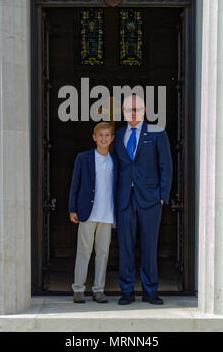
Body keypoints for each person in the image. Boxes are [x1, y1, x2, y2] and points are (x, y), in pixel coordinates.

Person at [113, 94, 173, 305]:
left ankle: (150, 291)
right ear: (123, 112)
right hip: (124, 200)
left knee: (149, 246)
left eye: (137, 109)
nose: (133, 113)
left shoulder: (157, 133)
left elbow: (166, 166)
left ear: (145, 110)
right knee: (125, 247)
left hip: (150, 200)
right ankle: (127, 291)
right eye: (129, 109)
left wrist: (162, 196)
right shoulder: (118, 135)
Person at [68, 121, 118, 304]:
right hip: (87, 212)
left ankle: (98, 289)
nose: (104, 139)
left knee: (103, 253)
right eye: (100, 135)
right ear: (94, 138)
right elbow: (75, 184)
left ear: (112, 138)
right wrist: (72, 208)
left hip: (107, 213)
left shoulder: (115, 160)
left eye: (107, 135)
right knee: (84, 252)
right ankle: (79, 289)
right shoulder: (84, 158)